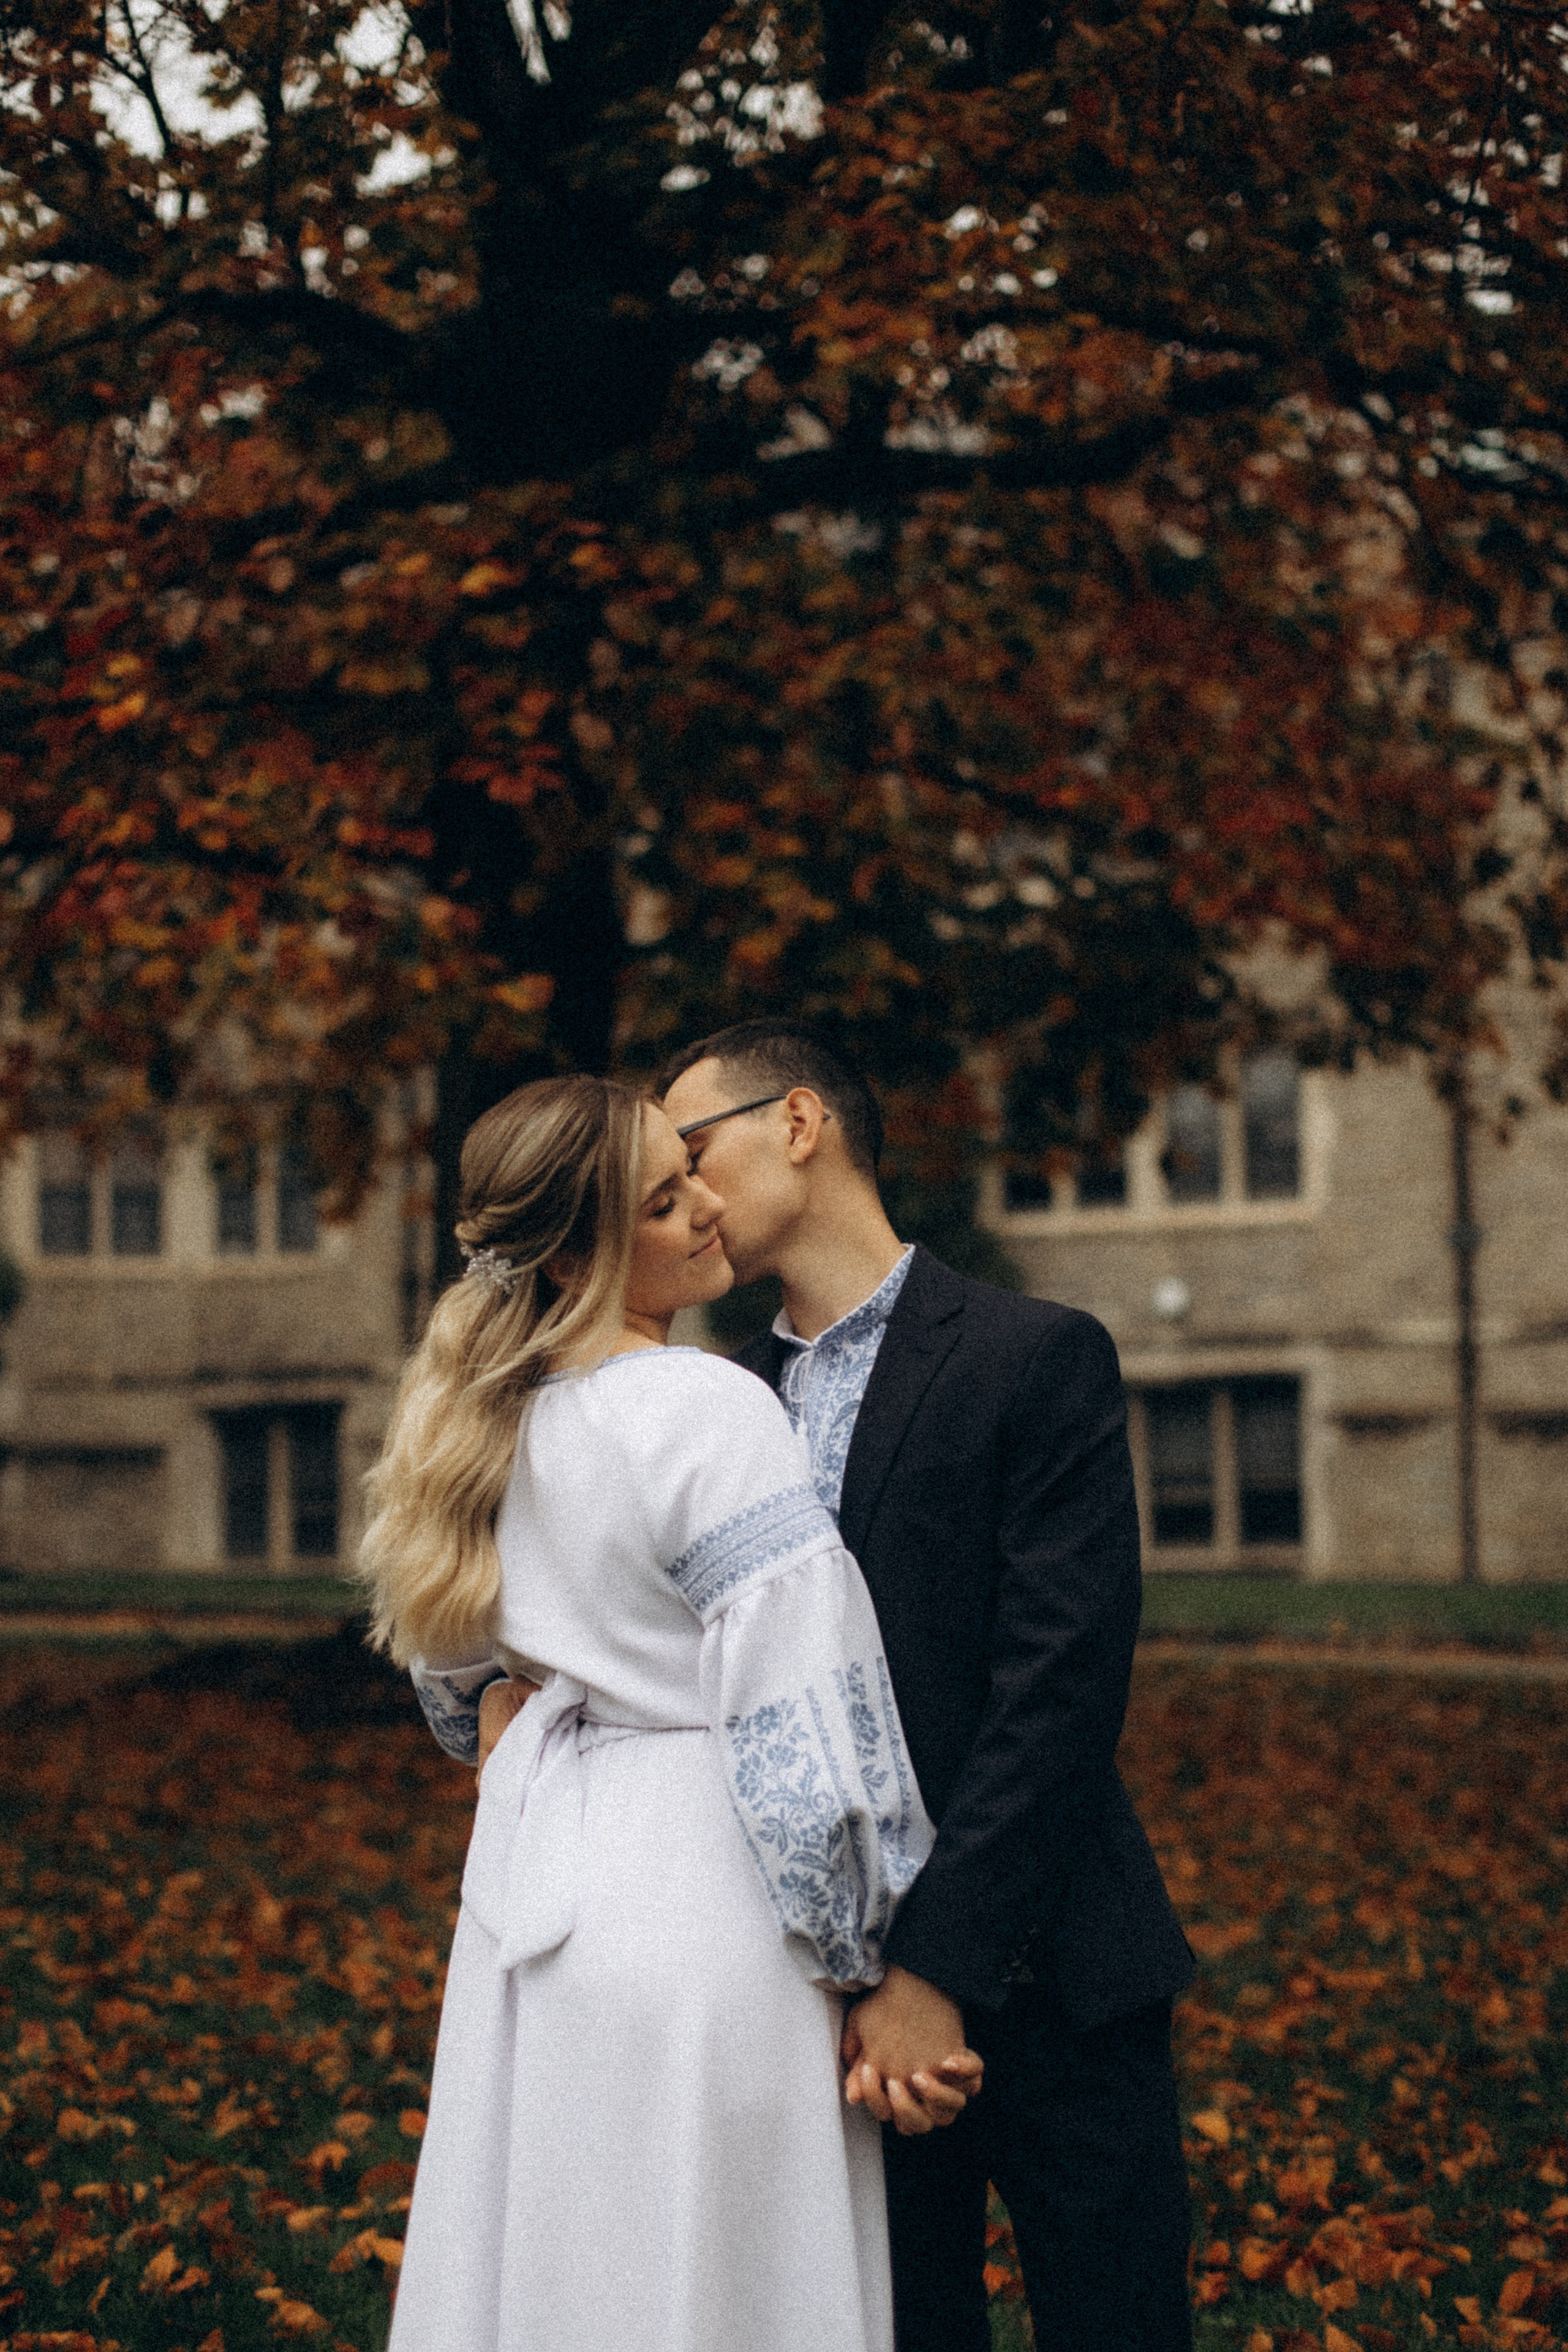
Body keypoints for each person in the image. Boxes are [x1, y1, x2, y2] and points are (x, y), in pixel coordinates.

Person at [364, 1073, 981, 2352]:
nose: (707, 1207)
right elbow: (804, 1716)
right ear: (584, 1253)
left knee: (578, 2262)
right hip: (714, 1894)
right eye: (662, 1199)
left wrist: (529, 1710)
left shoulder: (484, 1426)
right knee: (728, 2275)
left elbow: (457, 1681)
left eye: (691, 1170)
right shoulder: (704, 1408)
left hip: (547, 1900)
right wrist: (867, 1957)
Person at [654, 1022, 1199, 2352]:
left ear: (796, 1124)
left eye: (687, 1150)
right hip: (818, 2009)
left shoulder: (1033, 1356)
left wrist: (934, 1969)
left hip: (1053, 1962)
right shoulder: (709, 1408)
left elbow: (1057, 1691)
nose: (675, 1192)